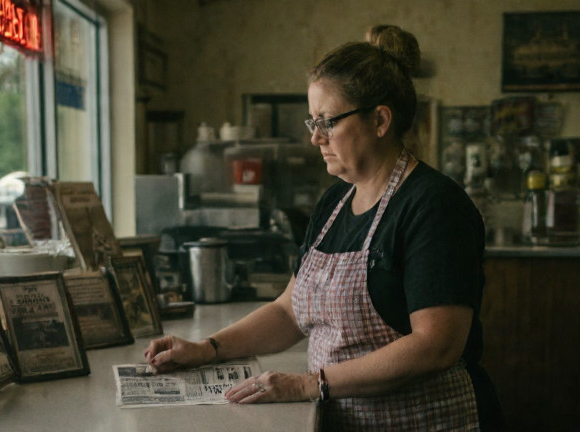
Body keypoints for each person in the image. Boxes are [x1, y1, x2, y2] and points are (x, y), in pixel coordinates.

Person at [145, 24, 503, 431]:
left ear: (380, 120)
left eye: (328, 121)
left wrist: (307, 384)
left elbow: (436, 346)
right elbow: (288, 311)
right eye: (311, 122)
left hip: (427, 422)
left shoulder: (434, 206)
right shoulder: (334, 201)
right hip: (346, 419)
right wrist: (207, 349)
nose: (316, 138)